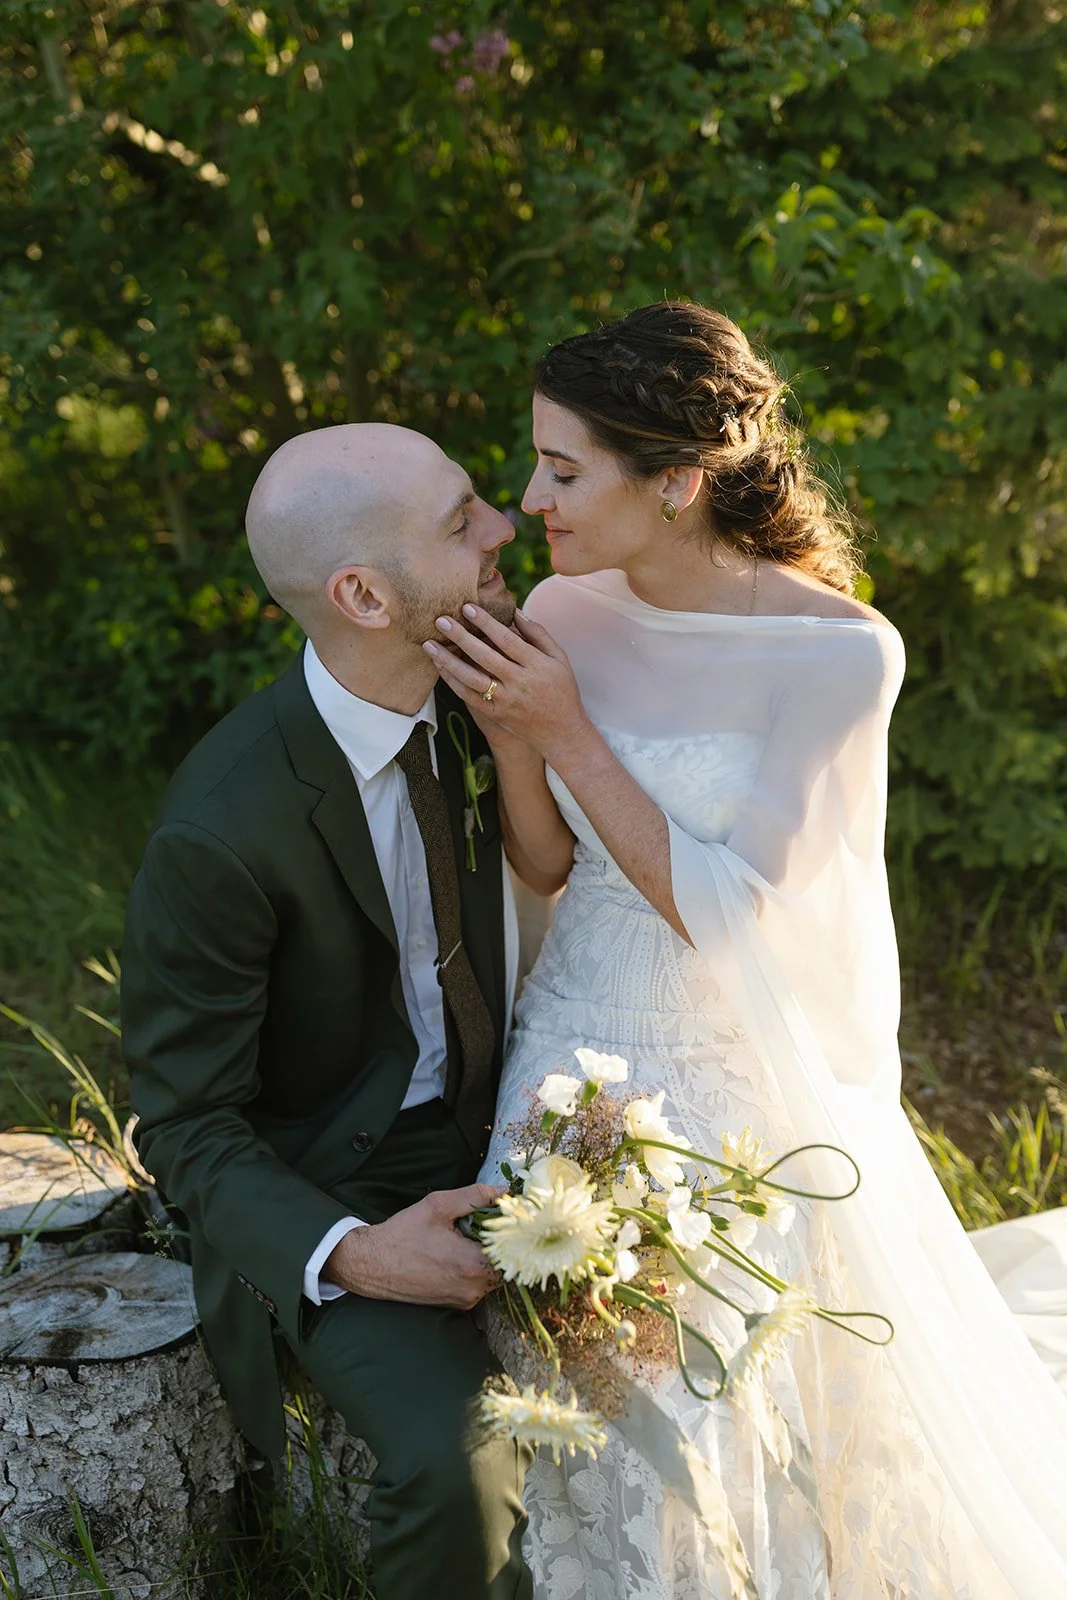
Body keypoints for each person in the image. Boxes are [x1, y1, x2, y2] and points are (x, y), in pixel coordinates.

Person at [428, 302, 1067, 1599]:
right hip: (573, 1039)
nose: (530, 496)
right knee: (559, 1339)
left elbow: (733, 913)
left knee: (718, 1376)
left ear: (671, 482)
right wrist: (515, 738)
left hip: (722, 1060)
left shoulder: (834, 655)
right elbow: (545, 868)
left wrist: (566, 730)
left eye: (562, 469)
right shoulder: (562, 605)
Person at [120, 423, 534, 1600]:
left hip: (511, 1114)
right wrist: (353, 1253)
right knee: (460, 1460)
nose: (502, 525)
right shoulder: (220, 829)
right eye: (462, 522)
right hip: (334, 1178)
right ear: (362, 593)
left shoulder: (478, 685)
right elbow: (187, 1125)